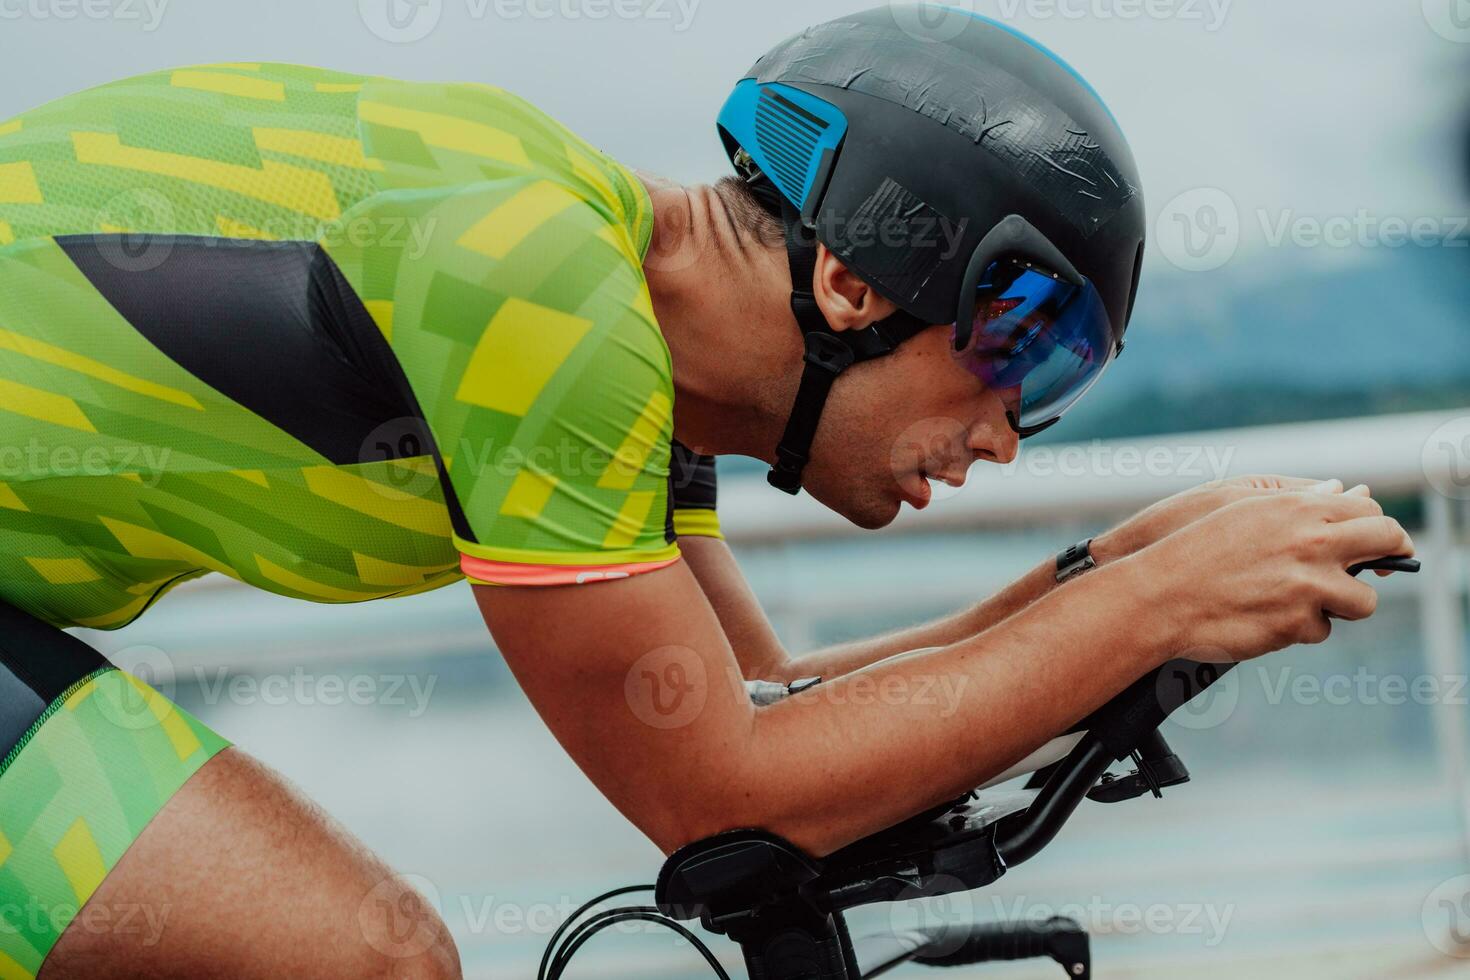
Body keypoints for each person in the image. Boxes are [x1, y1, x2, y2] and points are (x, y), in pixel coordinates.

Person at [0, 7, 1412, 978]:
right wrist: (1151, 599)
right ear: (851, 278)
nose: (1009, 434)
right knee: (356, 955)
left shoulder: (626, 346)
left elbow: (769, 718)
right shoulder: (538, 291)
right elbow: (720, 801)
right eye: (1014, 341)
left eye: (1059, 375)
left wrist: (1095, 585)